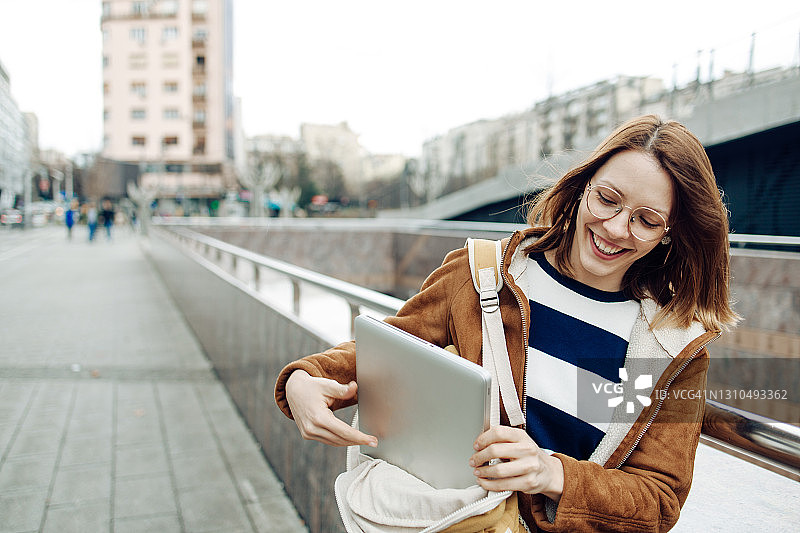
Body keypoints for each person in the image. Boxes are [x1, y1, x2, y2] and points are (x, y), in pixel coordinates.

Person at [274, 115, 740, 532]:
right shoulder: (482, 275)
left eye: (646, 220)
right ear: (582, 188)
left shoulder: (669, 345)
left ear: (668, 234)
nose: (617, 228)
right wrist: (305, 378)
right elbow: (391, 346)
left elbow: (658, 501)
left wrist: (549, 472)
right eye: (608, 200)